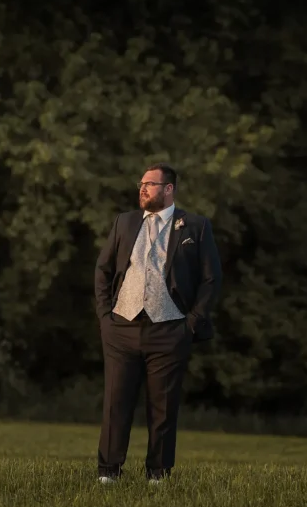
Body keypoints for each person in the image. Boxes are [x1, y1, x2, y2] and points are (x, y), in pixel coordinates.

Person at [93, 163, 223, 484]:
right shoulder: (124, 222)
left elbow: (211, 279)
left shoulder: (195, 226)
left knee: (163, 407)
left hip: (170, 329)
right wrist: (106, 317)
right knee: (116, 402)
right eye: (141, 183)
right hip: (122, 326)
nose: (142, 189)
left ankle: (158, 474)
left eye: (150, 184)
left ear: (168, 189)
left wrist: (191, 324)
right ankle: (109, 472)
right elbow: (103, 270)